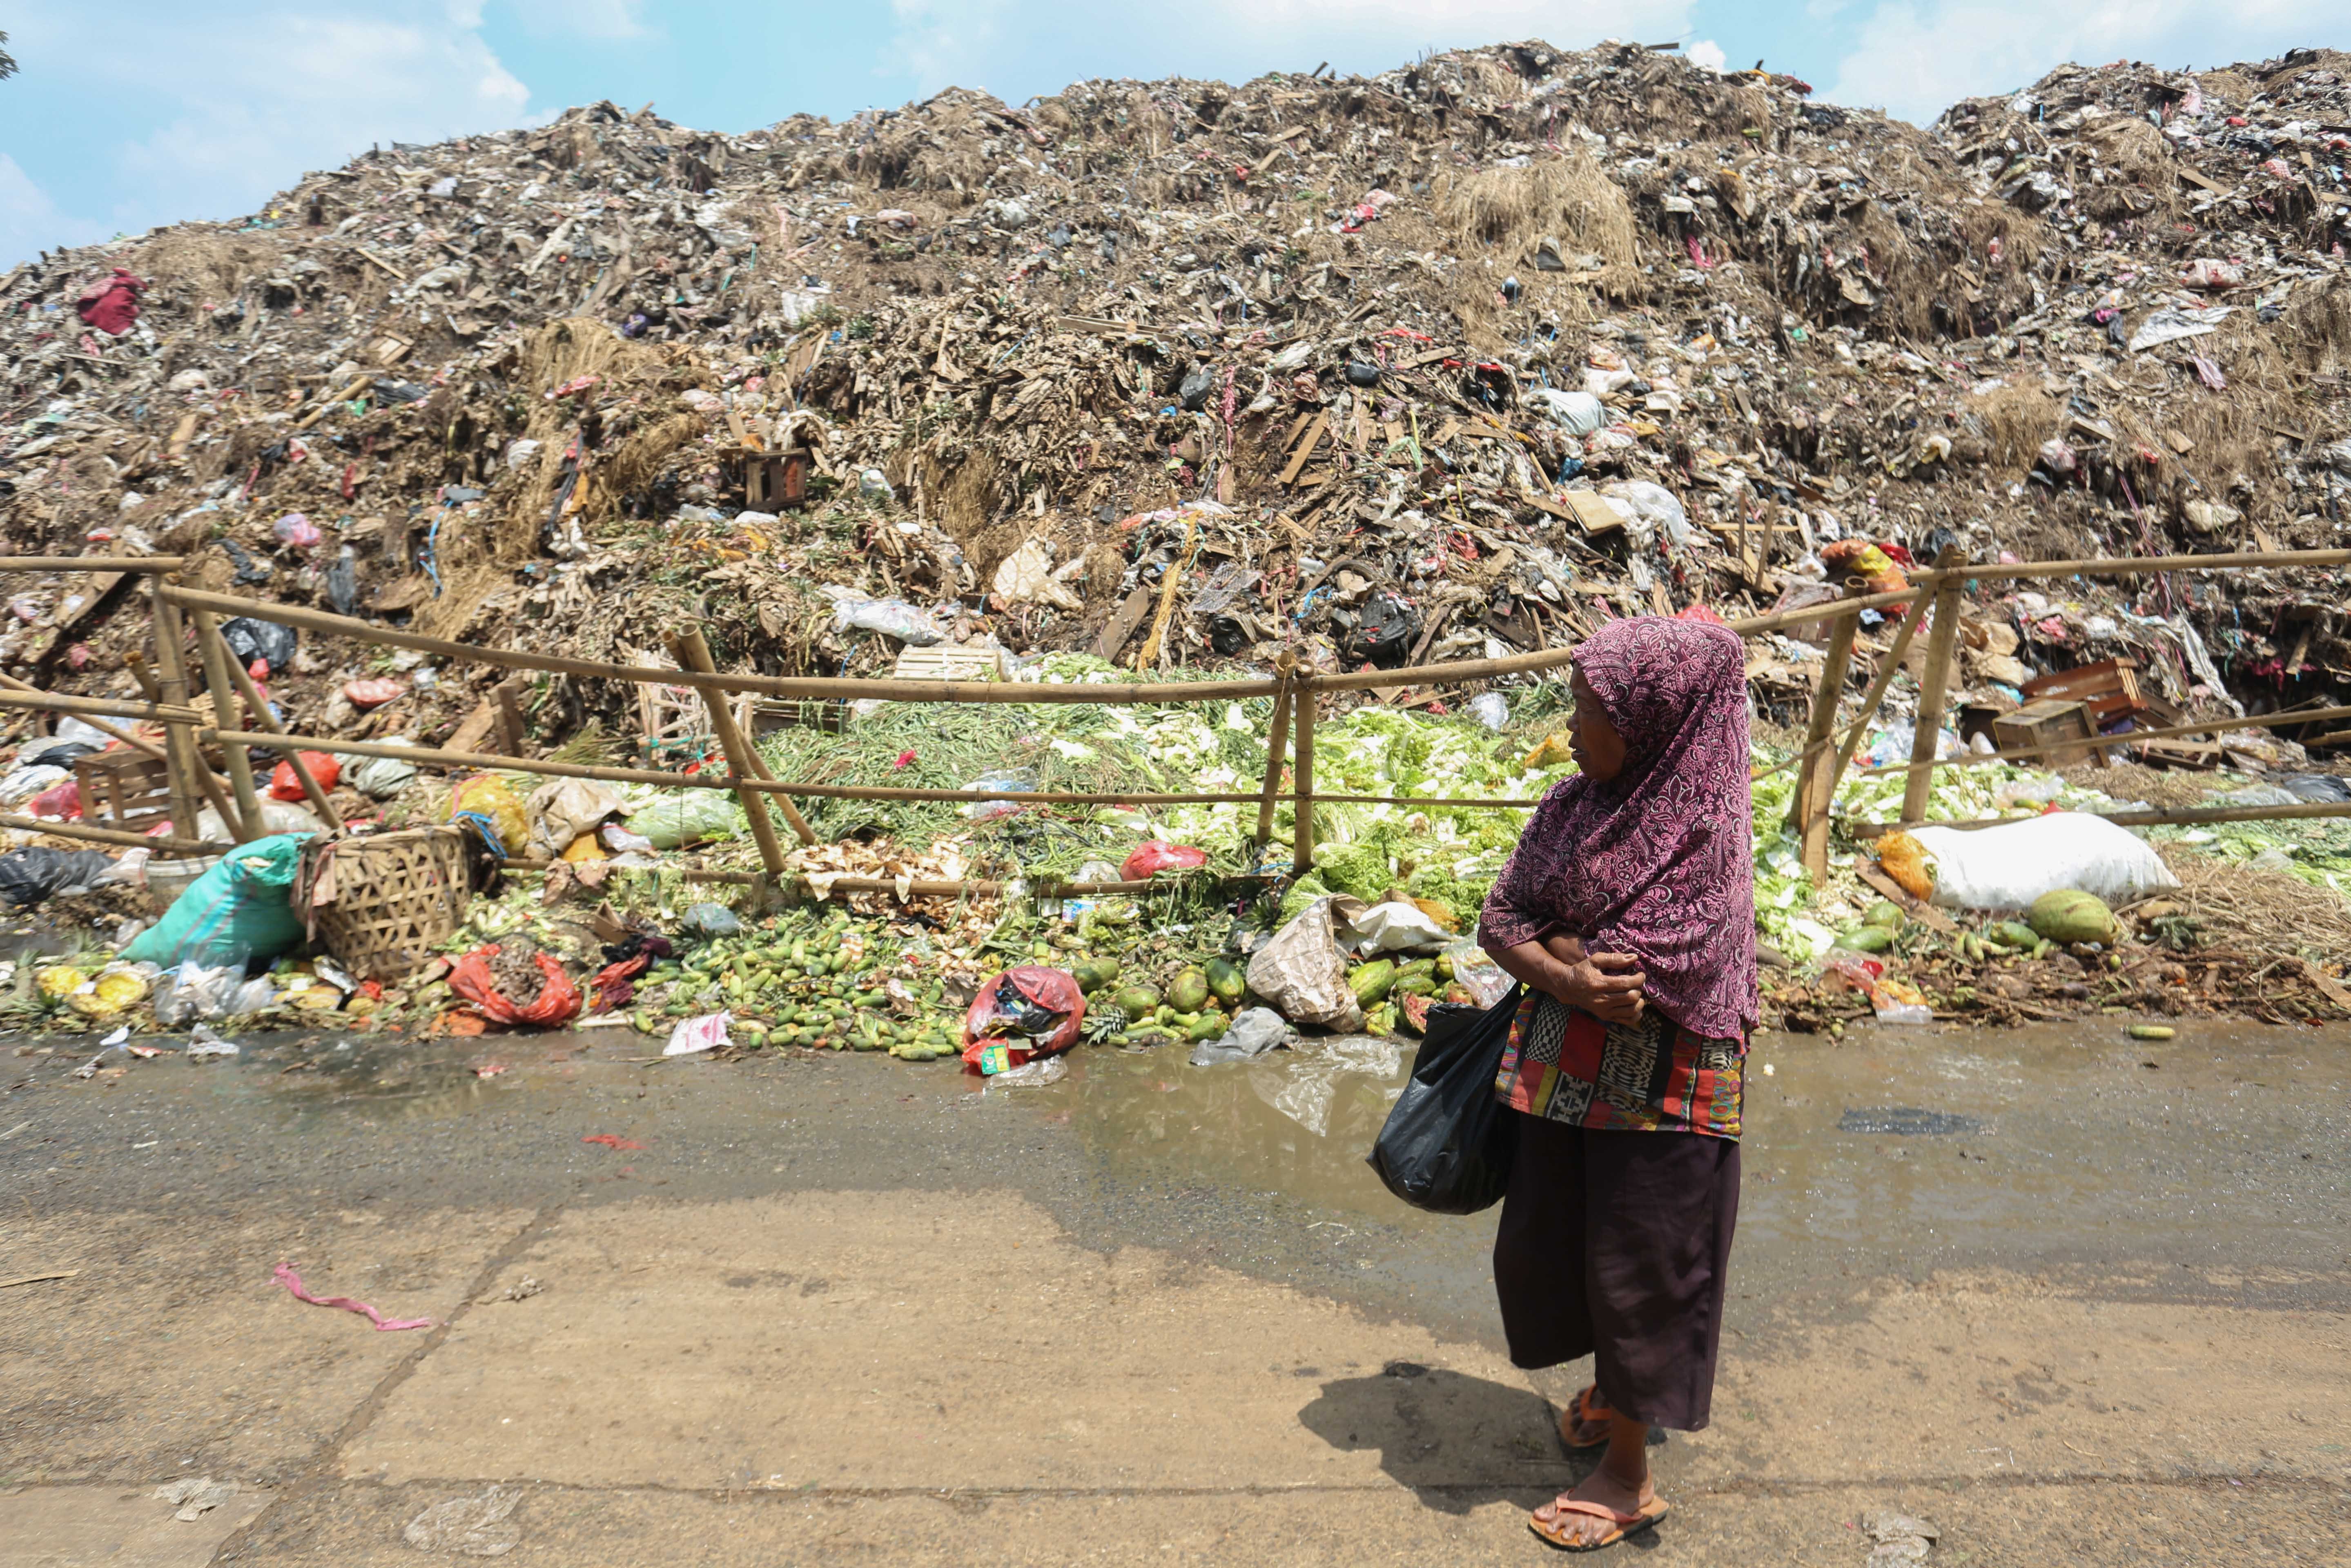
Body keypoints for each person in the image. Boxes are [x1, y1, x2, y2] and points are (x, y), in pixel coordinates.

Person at [1475, 616, 1756, 1551]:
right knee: (1554, 1241)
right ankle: (1612, 1394)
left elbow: (1652, 971)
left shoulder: (1704, 829)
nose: (1570, 729)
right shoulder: (1572, 803)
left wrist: (1556, 947)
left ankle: (1627, 1475)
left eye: (1588, 713)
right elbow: (1502, 911)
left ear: (1655, 723)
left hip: (1664, 1091)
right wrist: (1563, 972)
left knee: (1643, 1265)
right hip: (1564, 1066)